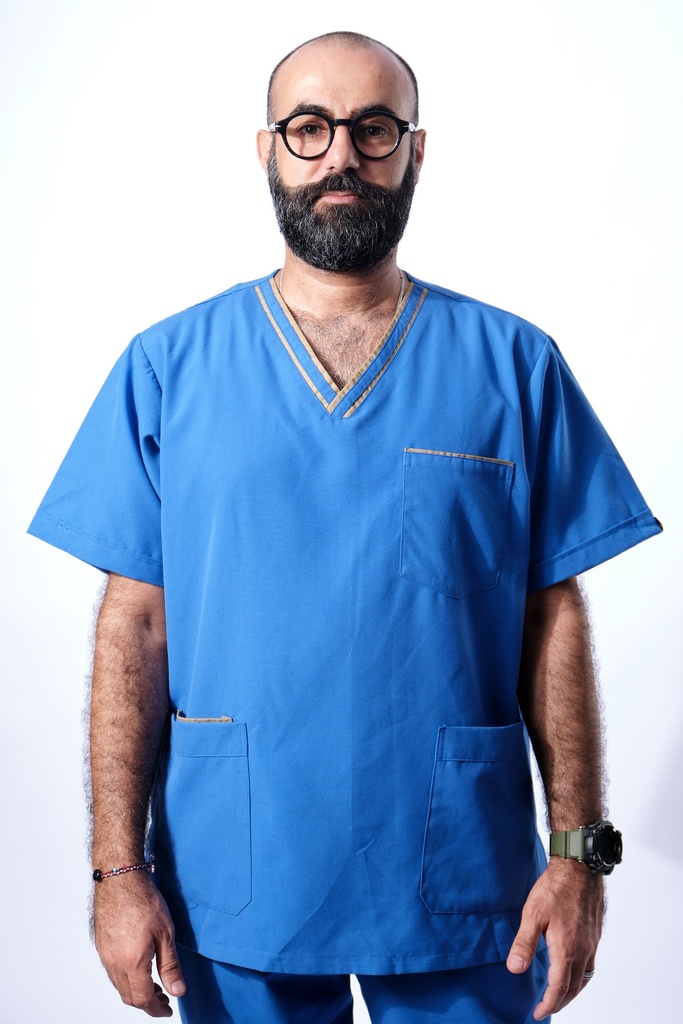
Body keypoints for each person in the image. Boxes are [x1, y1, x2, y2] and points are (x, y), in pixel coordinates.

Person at [29, 30, 660, 1024]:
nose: (339, 157)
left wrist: (578, 854)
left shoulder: (511, 365)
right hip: (236, 878)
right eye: (309, 127)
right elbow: (133, 628)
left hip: (458, 877)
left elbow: (554, 619)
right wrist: (116, 869)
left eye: (372, 130)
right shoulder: (168, 368)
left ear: (414, 149)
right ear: (266, 148)